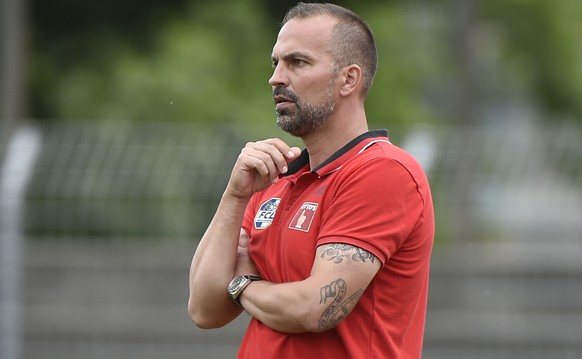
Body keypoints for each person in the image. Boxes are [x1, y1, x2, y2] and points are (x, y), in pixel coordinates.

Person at [188, 2, 434, 358]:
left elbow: (316, 308)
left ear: (348, 79)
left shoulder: (384, 171)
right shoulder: (274, 177)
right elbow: (204, 309)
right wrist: (235, 196)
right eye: (276, 63)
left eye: (297, 62)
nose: (276, 78)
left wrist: (243, 284)